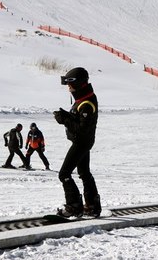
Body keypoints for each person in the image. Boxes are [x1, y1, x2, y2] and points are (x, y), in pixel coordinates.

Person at [53, 67, 101, 218]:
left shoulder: (86, 103)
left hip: (81, 143)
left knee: (64, 174)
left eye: (70, 84)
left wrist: (64, 120)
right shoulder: (84, 99)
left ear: (79, 84)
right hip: (84, 142)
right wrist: (67, 115)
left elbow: (82, 129)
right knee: (84, 173)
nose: (68, 88)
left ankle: (74, 206)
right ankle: (92, 206)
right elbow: (81, 120)